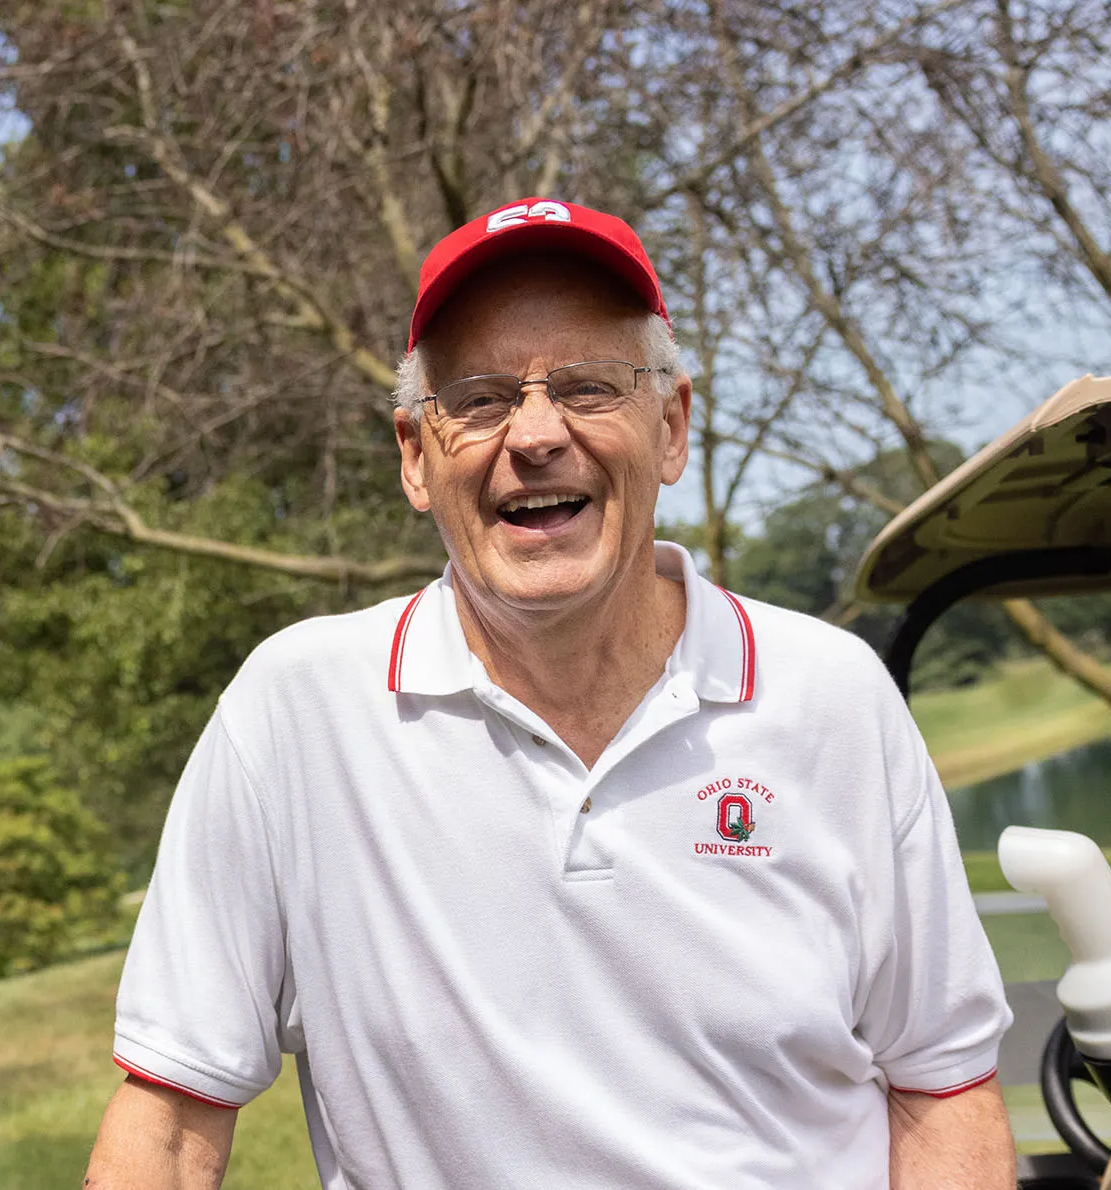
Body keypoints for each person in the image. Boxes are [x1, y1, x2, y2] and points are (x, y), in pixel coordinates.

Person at [84, 197, 1015, 1189]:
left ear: (671, 426)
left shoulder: (831, 695)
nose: (533, 434)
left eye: (587, 385)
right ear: (413, 453)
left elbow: (940, 1084)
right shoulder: (295, 712)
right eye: (479, 398)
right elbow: (171, 1127)